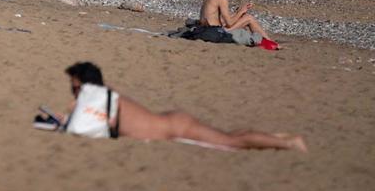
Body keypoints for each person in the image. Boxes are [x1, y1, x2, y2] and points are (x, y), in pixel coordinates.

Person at [57, 62, 306, 151]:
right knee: (227, 137)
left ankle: (288, 143)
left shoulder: (102, 98)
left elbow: (89, 124)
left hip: (175, 128)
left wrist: (66, 120)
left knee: (231, 143)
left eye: (76, 87)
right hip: (172, 123)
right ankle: (274, 138)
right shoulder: (106, 95)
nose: (74, 92)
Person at [199, 0, 275, 47]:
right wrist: (241, 11)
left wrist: (237, 13)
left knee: (243, 17)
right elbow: (229, 23)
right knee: (249, 18)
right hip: (216, 32)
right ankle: (271, 43)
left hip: (205, 30)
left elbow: (216, 19)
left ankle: (267, 41)